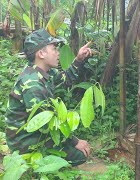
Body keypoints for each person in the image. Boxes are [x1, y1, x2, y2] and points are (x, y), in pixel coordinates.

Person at [5, 28, 92, 166]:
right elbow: (46, 124)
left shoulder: (44, 72)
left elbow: (65, 79)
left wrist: (78, 59)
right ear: (41, 53)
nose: (58, 53)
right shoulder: (32, 84)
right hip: (24, 140)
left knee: (72, 148)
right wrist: (75, 141)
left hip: (34, 132)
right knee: (79, 155)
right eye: (54, 49)